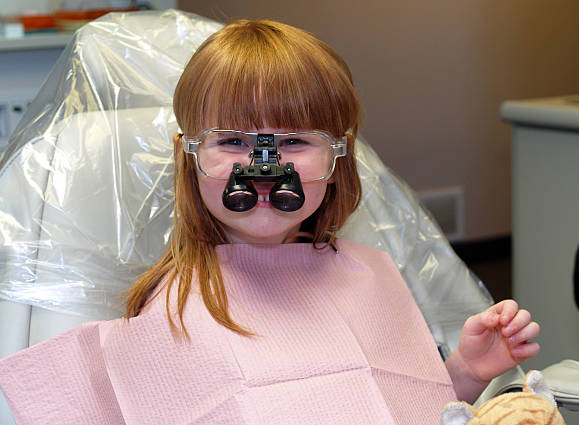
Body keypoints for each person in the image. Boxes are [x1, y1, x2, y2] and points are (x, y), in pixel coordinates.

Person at [0, 19, 539, 425]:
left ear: (337, 159)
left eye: (293, 142)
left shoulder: (372, 275)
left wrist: (466, 372)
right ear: (189, 157)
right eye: (234, 141)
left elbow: (404, 408)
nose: (264, 169)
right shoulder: (179, 304)